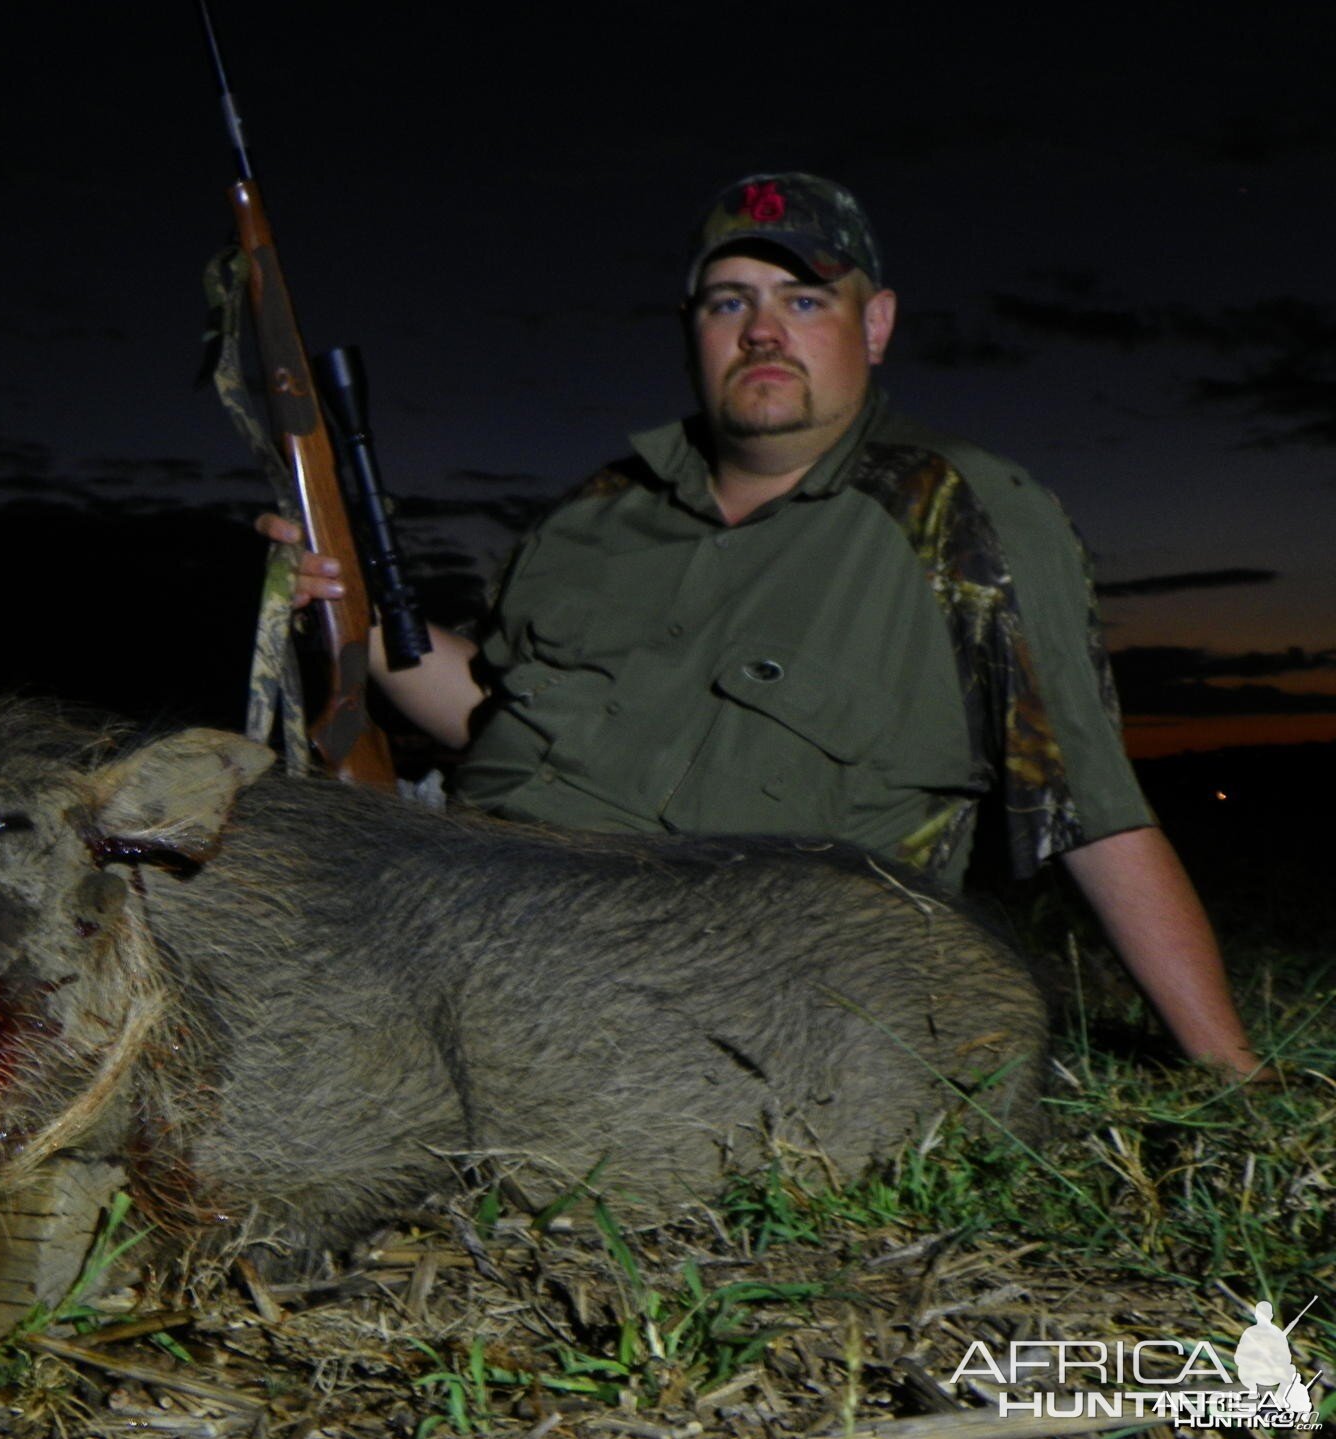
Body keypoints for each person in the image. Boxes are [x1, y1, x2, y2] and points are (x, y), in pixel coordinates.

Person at [257, 172, 1264, 1079]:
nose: (763, 332)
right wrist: (339, 607)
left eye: (805, 299)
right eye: (730, 302)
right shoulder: (593, 513)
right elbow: (496, 715)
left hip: (751, 996)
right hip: (483, 917)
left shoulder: (967, 514)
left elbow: (1095, 811)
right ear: (691, 326)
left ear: (875, 326)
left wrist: (1231, 1071)